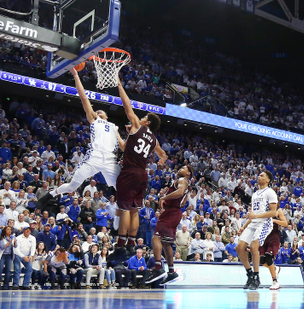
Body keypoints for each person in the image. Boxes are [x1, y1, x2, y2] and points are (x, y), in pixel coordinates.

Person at [36, 68, 121, 210]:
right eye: (97, 110)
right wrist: (75, 75)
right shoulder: (94, 119)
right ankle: (51, 194)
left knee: (122, 186)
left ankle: (125, 209)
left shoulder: (113, 126)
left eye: (102, 111)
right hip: (94, 157)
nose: (98, 111)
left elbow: (122, 145)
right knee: (72, 186)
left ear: (107, 116)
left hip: (110, 160)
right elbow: (83, 97)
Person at [109, 78, 167, 259]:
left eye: (144, 118)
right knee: (134, 209)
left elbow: (127, 106)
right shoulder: (155, 140)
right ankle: (132, 242)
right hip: (142, 174)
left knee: (125, 208)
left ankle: (120, 243)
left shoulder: (136, 126)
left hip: (130, 172)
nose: (140, 118)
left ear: (147, 122)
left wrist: (119, 85)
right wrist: (161, 162)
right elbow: (162, 155)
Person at [145, 165, 192, 285]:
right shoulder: (185, 183)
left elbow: (180, 192)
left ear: (188, 174)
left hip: (171, 212)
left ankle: (158, 268)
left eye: (184, 168)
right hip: (175, 212)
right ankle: (171, 272)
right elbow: (182, 203)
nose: (181, 168)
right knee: (166, 243)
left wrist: (164, 198)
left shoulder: (182, 180)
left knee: (156, 237)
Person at [236, 170, 278, 290]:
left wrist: (255, 217)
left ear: (267, 180)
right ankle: (249, 274)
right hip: (253, 223)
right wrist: (243, 227)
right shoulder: (255, 194)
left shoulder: (270, 192)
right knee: (239, 247)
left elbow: (273, 212)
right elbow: (253, 214)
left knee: (254, 247)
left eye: (262, 175)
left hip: (264, 223)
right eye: (259, 175)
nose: (259, 176)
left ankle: (256, 276)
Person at [257, 207, 287, 290]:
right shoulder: (262, 210)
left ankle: (275, 282)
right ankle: (275, 268)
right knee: (262, 261)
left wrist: (274, 221)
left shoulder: (278, 211)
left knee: (269, 258)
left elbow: (285, 223)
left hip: (273, 237)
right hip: (263, 237)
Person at [13, 225, 36, 290]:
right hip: (18, 255)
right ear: (23, 231)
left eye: (29, 229)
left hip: (28, 255)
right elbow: (16, 250)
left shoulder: (33, 238)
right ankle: (15, 284)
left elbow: (33, 248)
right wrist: (23, 256)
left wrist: (31, 255)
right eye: (26, 230)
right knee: (17, 269)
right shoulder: (18, 238)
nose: (28, 231)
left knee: (29, 268)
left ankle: (25, 284)